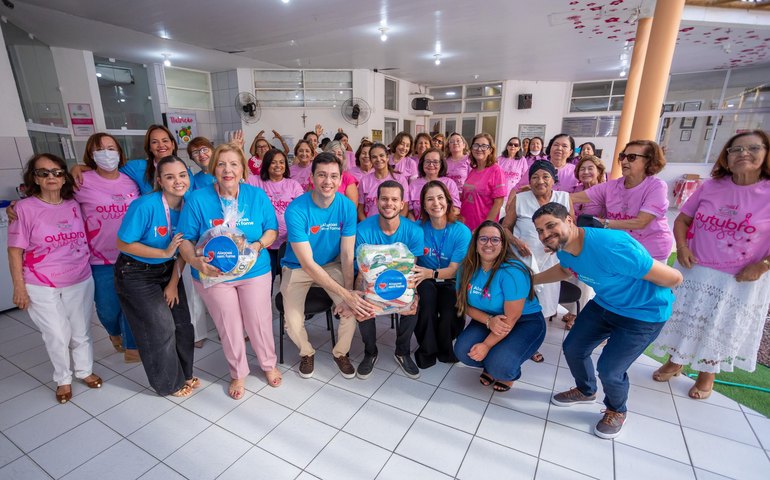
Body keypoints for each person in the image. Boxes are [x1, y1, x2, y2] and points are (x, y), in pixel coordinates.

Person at [532, 202, 682, 439]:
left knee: (610, 369)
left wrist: (650, 299)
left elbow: (674, 277)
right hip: (606, 304)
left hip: (643, 313)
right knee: (573, 347)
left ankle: (616, 410)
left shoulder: (613, 246)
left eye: (551, 226)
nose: (545, 234)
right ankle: (585, 390)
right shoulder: (563, 246)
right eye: (540, 230)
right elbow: (566, 269)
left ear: (569, 220)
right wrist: (533, 280)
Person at [651, 131, 770, 400]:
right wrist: (681, 247)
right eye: (735, 149)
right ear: (726, 157)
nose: (743, 154)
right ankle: (676, 360)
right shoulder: (711, 186)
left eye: (753, 148)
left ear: (766, 153)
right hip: (696, 266)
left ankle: (707, 374)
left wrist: (763, 265)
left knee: (718, 323)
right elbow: (682, 220)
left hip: (739, 276)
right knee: (682, 315)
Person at [179, 143, 281, 399]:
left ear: (243, 169)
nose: (228, 170)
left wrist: (258, 245)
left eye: (234, 164)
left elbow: (271, 229)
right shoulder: (198, 199)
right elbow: (185, 239)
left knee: (258, 320)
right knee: (229, 324)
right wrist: (196, 262)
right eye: (222, 164)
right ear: (214, 168)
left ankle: (268, 364)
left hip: (253, 271)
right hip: (213, 274)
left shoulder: (256, 196)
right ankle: (238, 372)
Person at [8, 153, 102, 404]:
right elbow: (15, 250)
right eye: (44, 173)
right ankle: (63, 378)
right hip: (41, 283)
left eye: (57, 172)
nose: (51, 177)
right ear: (34, 178)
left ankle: (84, 371)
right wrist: (19, 286)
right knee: (57, 334)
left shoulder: (74, 204)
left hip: (80, 277)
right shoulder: (24, 209)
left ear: (64, 178)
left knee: (81, 330)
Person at [281, 152, 377, 379]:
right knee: (292, 322)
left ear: (341, 178)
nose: (328, 181)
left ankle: (340, 352)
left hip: (332, 264)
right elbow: (307, 262)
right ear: (312, 178)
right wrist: (346, 292)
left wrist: (348, 293)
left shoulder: (346, 207)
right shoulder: (296, 210)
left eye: (333, 176)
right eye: (322, 175)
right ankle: (307, 352)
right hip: (298, 267)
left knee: (351, 310)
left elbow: (346, 254)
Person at [115, 155, 197, 397]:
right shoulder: (145, 205)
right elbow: (123, 243)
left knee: (183, 325)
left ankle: (186, 374)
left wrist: (173, 283)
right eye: (170, 177)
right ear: (160, 181)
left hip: (169, 269)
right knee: (161, 327)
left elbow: (184, 248)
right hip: (136, 272)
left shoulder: (191, 204)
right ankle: (169, 384)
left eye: (182, 175)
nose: (178, 181)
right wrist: (163, 251)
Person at [453, 221, 546, 392]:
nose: (488, 244)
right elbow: (463, 303)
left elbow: (511, 318)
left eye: (495, 240)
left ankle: (503, 370)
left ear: (503, 244)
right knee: (462, 350)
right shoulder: (466, 268)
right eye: (483, 239)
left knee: (501, 366)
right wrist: (489, 321)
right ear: (475, 244)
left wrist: (486, 345)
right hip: (488, 318)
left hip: (523, 322)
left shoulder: (513, 271)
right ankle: (492, 362)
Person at [75, 133, 141, 362]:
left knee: (132, 304)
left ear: (119, 152)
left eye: (111, 148)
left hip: (133, 255)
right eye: (100, 149)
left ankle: (133, 348)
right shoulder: (81, 181)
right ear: (91, 154)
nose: (107, 153)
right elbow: (55, 199)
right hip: (100, 258)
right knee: (107, 307)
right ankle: (114, 332)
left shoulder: (130, 179)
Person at [354, 180, 424, 379]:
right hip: (371, 281)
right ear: (376, 201)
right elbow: (361, 273)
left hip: (401, 281)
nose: (389, 204)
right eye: (384, 199)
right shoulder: (363, 230)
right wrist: (358, 297)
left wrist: (412, 295)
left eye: (394, 199)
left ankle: (402, 351)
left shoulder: (414, 231)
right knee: (362, 306)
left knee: (413, 305)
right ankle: (370, 352)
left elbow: (411, 270)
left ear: (402, 204)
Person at [570, 140, 673, 262]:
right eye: (622, 156)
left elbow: (640, 222)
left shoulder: (657, 187)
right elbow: (571, 198)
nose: (624, 161)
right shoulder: (611, 186)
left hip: (651, 251)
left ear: (648, 161)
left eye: (631, 157)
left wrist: (601, 222)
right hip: (622, 248)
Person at [502, 161, 571, 327]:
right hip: (522, 259)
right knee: (520, 299)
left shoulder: (564, 198)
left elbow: (571, 228)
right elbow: (504, 227)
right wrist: (516, 242)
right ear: (529, 181)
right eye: (535, 177)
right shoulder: (520, 199)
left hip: (551, 261)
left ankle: (536, 337)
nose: (540, 181)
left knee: (545, 304)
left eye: (545, 176)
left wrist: (559, 244)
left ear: (553, 179)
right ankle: (517, 335)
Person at [411, 181, 472, 368]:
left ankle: (445, 348)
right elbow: (412, 261)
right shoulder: (418, 228)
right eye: (430, 199)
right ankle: (427, 350)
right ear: (423, 205)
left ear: (448, 200)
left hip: (450, 279)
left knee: (448, 309)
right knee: (426, 304)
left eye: (440, 198)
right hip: (424, 278)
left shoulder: (461, 231)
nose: (436, 203)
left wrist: (431, 273)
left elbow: (454, 269)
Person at [248, 148, 304, 282]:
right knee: (267, 281)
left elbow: (301, 211)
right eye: (273, 162)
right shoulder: (255, 182)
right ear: (266, 164)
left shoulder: (293, 185)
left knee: (288, 282)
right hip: (263, 242)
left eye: (281, 162)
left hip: (288, 242)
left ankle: (283, 303)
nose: (278, 166)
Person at [460, 133, 506, 232]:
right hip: (465, 224)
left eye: (484, 146)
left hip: (482, 227)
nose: (479, 149)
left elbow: (498, 202)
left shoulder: (496, 170)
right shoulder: (473, 171)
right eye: (476, 145)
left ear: (490, 150)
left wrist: (483, 227)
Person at [358, 143, 409, 220]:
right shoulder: (364, 181)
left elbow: (405, 207)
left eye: (381, 156)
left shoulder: (400, 179)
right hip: (371, 228)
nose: (378, 159)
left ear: (387, 157)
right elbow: (360, 210)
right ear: (371, 160)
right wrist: (368, 226)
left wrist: (395, 226)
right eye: (374, 157)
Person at [407, 148, 461, 220]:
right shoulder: (413, 185)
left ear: (441, 164)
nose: (431, 165)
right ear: (422, 164)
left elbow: (456, 209)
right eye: (427, 161)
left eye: (435, 162)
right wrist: (415, 227)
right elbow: (409, 212)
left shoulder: (449, 184)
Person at [323, 140, 359, 205]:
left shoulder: (347, 178)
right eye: (332, 153)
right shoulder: (318, 175)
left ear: (343, 158)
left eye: (339, 154)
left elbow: (352, 207)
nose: (336, 156)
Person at [497, 136, 528, 210]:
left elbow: (525, 178)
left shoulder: (522, 160)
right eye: (510, 144)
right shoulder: (499, 159)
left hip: (514, 195)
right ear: (507, 146)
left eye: (516, 145)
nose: (513, 146)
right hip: (500, 194)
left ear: (519, 148)